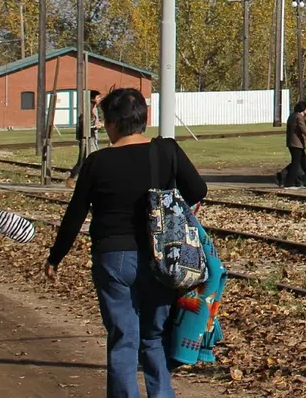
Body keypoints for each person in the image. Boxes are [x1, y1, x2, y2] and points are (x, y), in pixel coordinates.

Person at [46, 87, 207, 398]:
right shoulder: (167, 151)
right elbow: (198, 190)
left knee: (123, 338)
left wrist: (56, 256)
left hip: (113, 258)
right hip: (161, 257)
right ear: (142, 119)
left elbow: (75, 214)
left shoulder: (97, 162)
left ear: (112, 123)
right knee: (154, 336)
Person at [276, 100, 306, 189]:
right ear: (303, 109)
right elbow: (303, 130)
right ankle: (288, 183)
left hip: (293, 143)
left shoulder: (292, 116)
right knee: (295, 164)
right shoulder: (299, 117)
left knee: (305, 163)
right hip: (296, 144)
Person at [67, 89, 103, 185]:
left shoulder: (94, 109)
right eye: (98, 97)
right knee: (85, 159)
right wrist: (95, 126)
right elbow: (85, 124)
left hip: (92, 136)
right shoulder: (88, 109)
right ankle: (73, 179)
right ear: (92, 98)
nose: (100, 99)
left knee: (88, 159)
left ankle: (78, 179)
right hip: (88, 137)